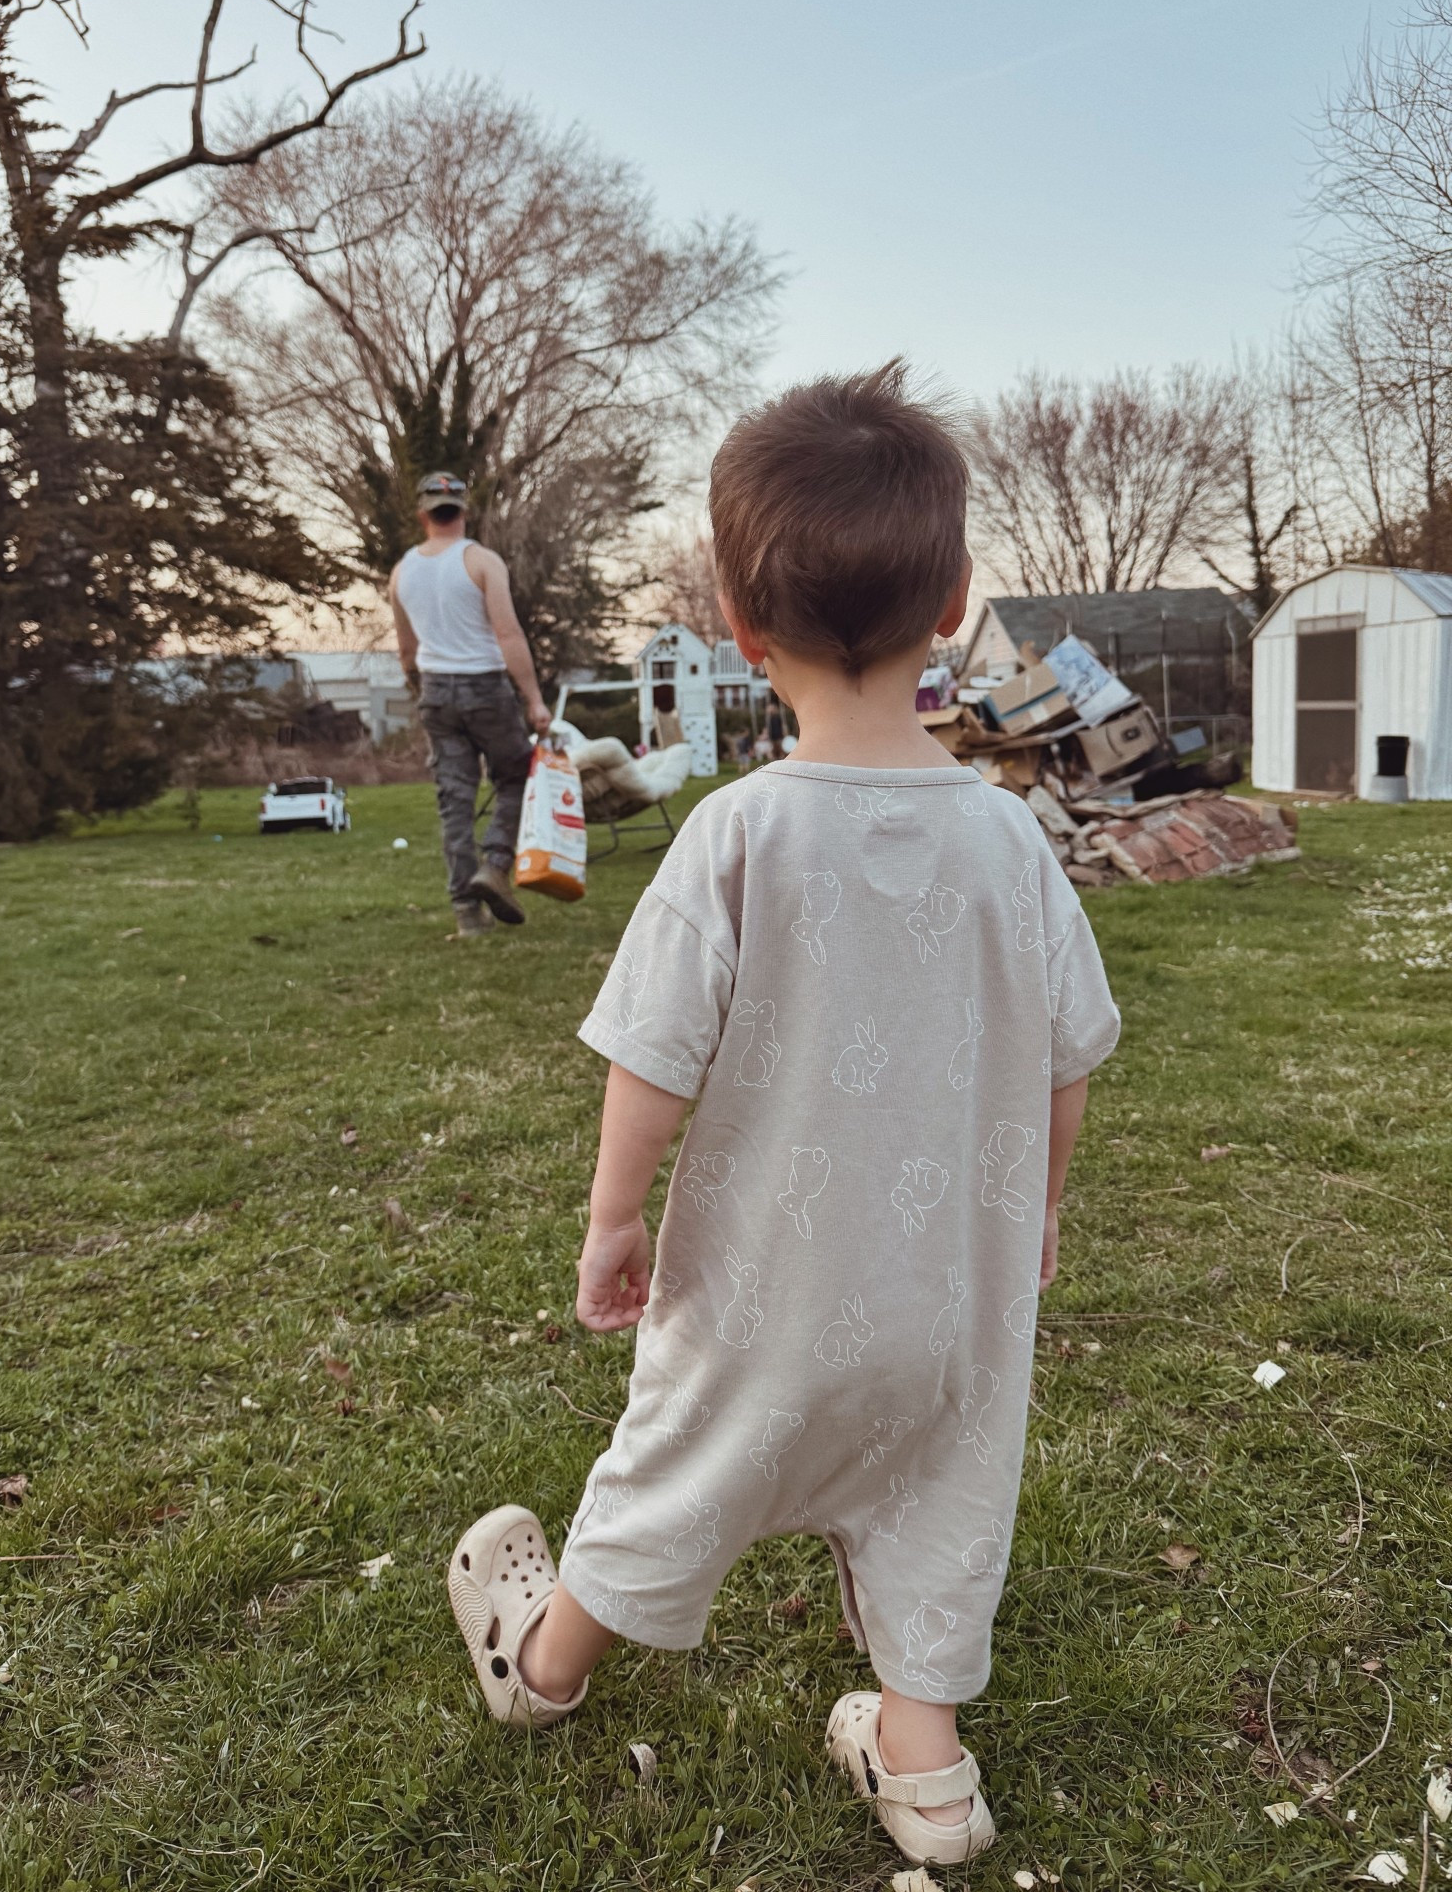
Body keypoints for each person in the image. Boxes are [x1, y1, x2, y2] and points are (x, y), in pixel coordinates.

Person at [444, 366, 1121, 1870]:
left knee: (680, 1463)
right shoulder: (1012, 839)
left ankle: (539, 1665)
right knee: (942, 1495)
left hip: (767, 1290)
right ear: (954, 602)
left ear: (740, 627)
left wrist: (615, 1217)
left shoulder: (737, 832)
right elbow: (1067, 1057)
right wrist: (1040, 1212)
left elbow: (651, 1058)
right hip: (948, 1293)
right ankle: (930, 1777)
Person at [390, 471, 552, 938]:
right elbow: (508, 634)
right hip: (485, 689)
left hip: (436, 691)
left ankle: (467, 913)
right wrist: (534, 700)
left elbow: (406, 651)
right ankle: (495, 865)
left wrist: (423, 690)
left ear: (422, 514)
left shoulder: (401, 573)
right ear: (463, 510)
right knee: (516, 775)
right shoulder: (481, 561)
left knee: (455, 800)